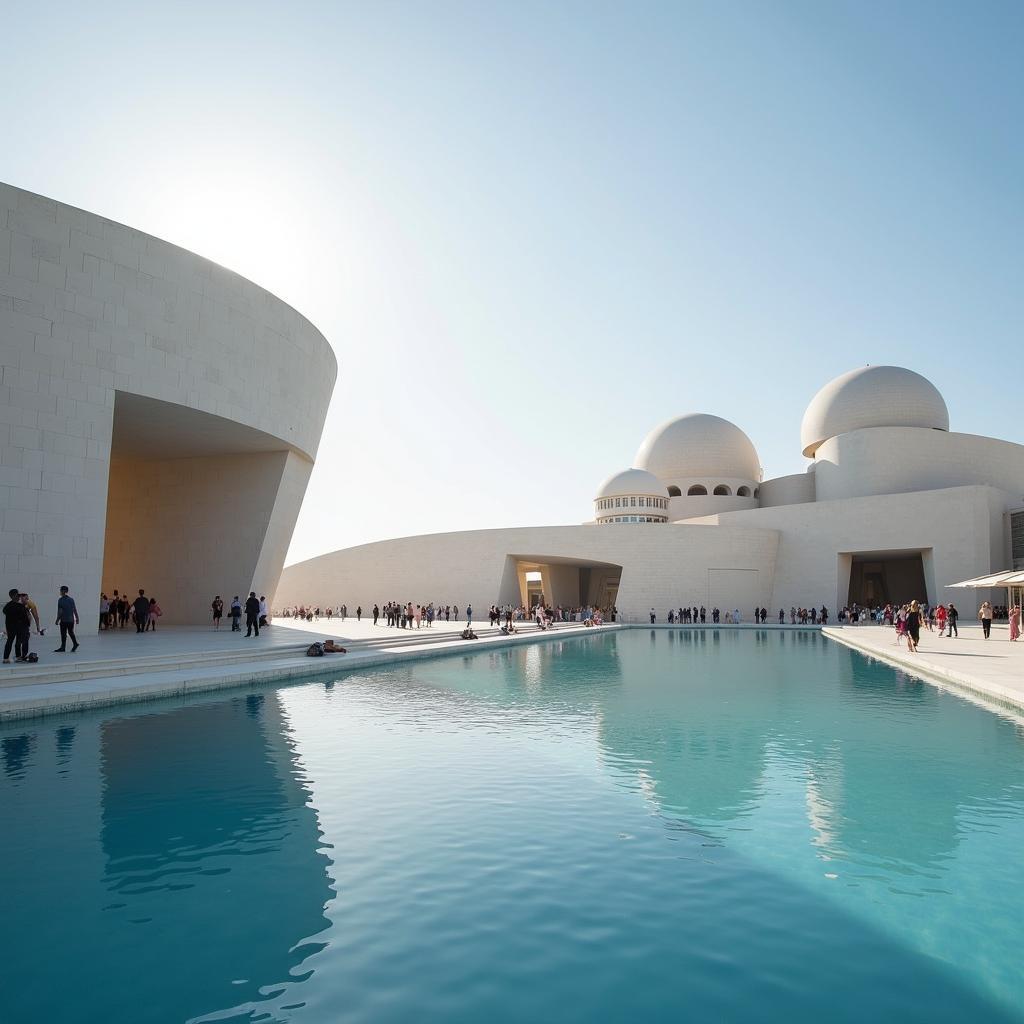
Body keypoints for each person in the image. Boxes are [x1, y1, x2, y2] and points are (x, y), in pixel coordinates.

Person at [3, 588, 30, 663]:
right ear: (13, 596)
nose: (19, 597)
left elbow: (5, 612)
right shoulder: (19, 606)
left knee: (15, 642)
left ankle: (11, 657)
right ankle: (14, 657)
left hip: (12, 627)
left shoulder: (8, 606)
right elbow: (25, 617)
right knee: (13, 642)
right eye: (17, 595)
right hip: (16, 627)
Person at [54, 585, 80, 653]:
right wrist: (77, 618)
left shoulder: (60, 600)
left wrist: (57, 620)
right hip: (71, 620)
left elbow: (60, 611)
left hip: (64, 620)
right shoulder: (71, 599)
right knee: (71, 632)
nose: (60, 592)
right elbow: (74, 609)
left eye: (61, 590)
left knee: (63, 634)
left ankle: (63, 647)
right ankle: (75, 643)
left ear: (63, 591)